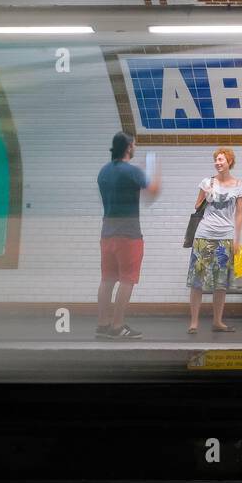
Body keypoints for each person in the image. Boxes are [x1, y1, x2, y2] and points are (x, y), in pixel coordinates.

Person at [95, 131, 160, 340]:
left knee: (107, 279)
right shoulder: (131, 171)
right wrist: (155, 170)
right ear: (129, 147)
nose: (136, 148)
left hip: (107, 232)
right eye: (135, 145)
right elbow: (153, 192)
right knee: (127, 280)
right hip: (129, 234)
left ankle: (103, 324)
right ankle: (117, 326)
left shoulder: (103, 172)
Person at [187, 147, 242, 334]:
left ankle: (217, 322)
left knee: (220, 283)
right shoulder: (207, 182)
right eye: (216, 160)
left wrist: (237, 239)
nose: (218, 163)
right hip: (204, 235)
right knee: (197, 280)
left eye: (221, 160)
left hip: (225, 237)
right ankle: (194, 322)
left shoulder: (239, 186)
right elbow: (197, 206)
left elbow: (239, 214)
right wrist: (206, 194)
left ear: (230, 162)